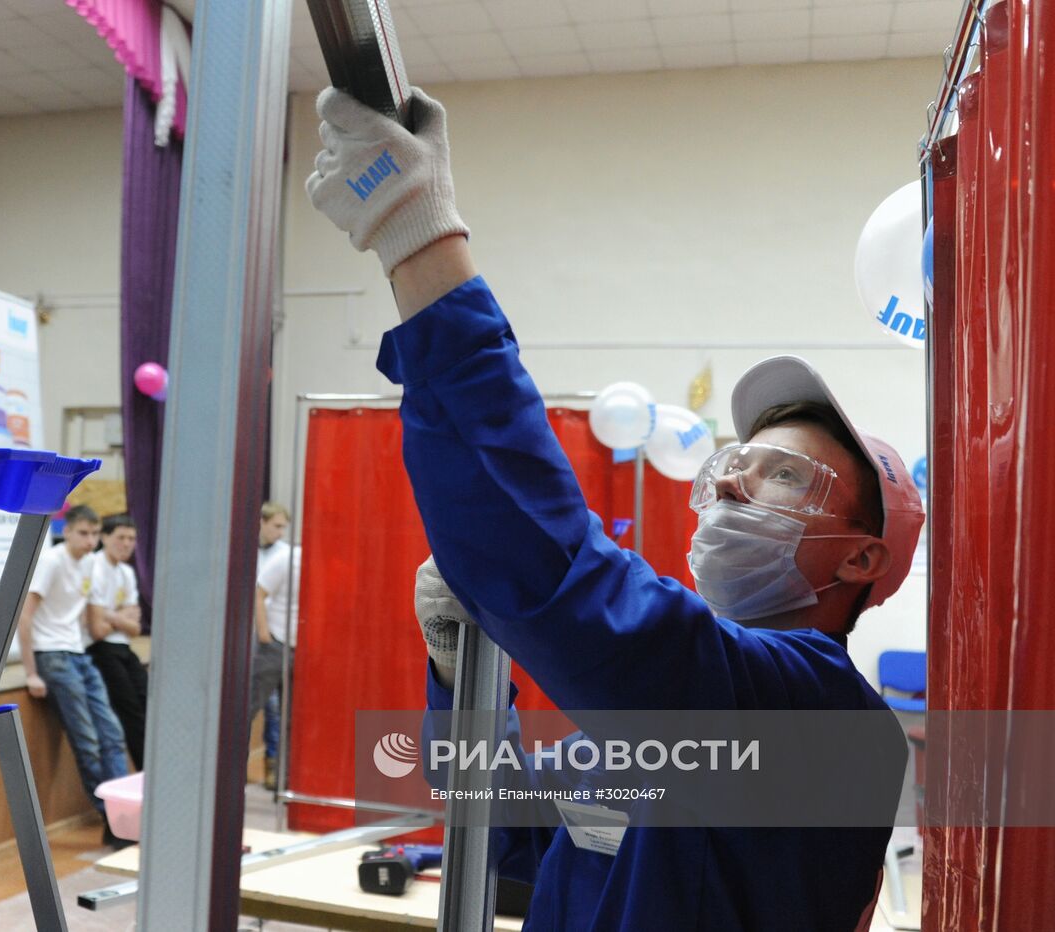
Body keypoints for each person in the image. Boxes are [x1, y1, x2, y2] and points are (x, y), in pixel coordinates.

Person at [306, 87, 924, 930]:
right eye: (733, 465)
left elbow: (563, 584)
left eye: (784, 476)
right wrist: (459, 681)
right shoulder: (663, 721)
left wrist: (418, 235)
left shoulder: (826, 721)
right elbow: (507, 842)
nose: (736, 483)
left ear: (861, 558)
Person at [18, 504, 129, 845]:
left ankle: (124, 815)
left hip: (78, 654)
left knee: (112, 734)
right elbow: (25, 615)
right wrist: (31, 672)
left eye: (95, 534)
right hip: (52, 656)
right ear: (66, 531)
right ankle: (111, 818)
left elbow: (90, 616)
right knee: (88, 741)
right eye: (83, 533)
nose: (90, 540)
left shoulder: (90, 565)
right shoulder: (52, 561)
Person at [85, 513, 149, 770]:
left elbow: (135, 628)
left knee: (148, 700)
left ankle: (156, 768)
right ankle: (146, 771)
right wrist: (119, 617)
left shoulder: (126, 573)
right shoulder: (93, 567)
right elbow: (97, 630)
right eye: (120, 537)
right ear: (104, 538)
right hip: (100, 649)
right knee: (130, 709)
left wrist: (110, 616)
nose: (126, 544)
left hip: (123, 646)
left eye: (131, 539)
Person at [250, 502, 291, 790]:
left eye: (283, 528)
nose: (280, 532)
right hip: (247, 635)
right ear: (262, 523)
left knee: (277, 706)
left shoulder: (285, 555)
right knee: (250, 703)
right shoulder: (245, 550)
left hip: (270, 636)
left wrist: (265, 632)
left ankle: (273, 767)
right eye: (276, 525)